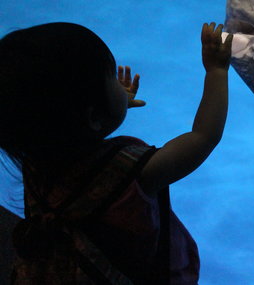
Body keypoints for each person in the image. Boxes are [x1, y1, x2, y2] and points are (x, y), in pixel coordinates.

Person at [0, 21, 233, 284]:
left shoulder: (35, 159)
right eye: (111, 79)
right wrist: (216, 72)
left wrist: (107, 112)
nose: (118, 83)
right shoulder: (132, 174)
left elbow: (61, 132)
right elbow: (203, 137)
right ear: (93, 117)